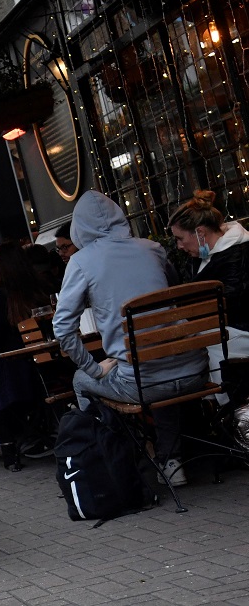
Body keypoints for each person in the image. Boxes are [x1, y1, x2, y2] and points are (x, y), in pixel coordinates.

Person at [54, 191, 208, 485]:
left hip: (142, 381)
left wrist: (94, 368)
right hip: (196, 370)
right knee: (156, 361)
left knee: (83, 380)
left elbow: (62, 329)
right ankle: (171, 460)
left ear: (78, 228)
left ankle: (114, 464)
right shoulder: (152, 248)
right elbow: (174, 297)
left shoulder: (81, 262)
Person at [0, 242, 52, 471]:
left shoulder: (1, 300)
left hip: (20, 376)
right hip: (51, 369)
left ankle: (8, 448)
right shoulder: (43, 290)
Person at [168, 191, 249, 383]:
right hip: (219, 332)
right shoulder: (199, 257)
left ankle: (232, 405)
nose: (179, 246)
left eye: (180, 238)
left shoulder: (240, 253)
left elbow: (235, 300)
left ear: (200, 233)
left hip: (239, 332)